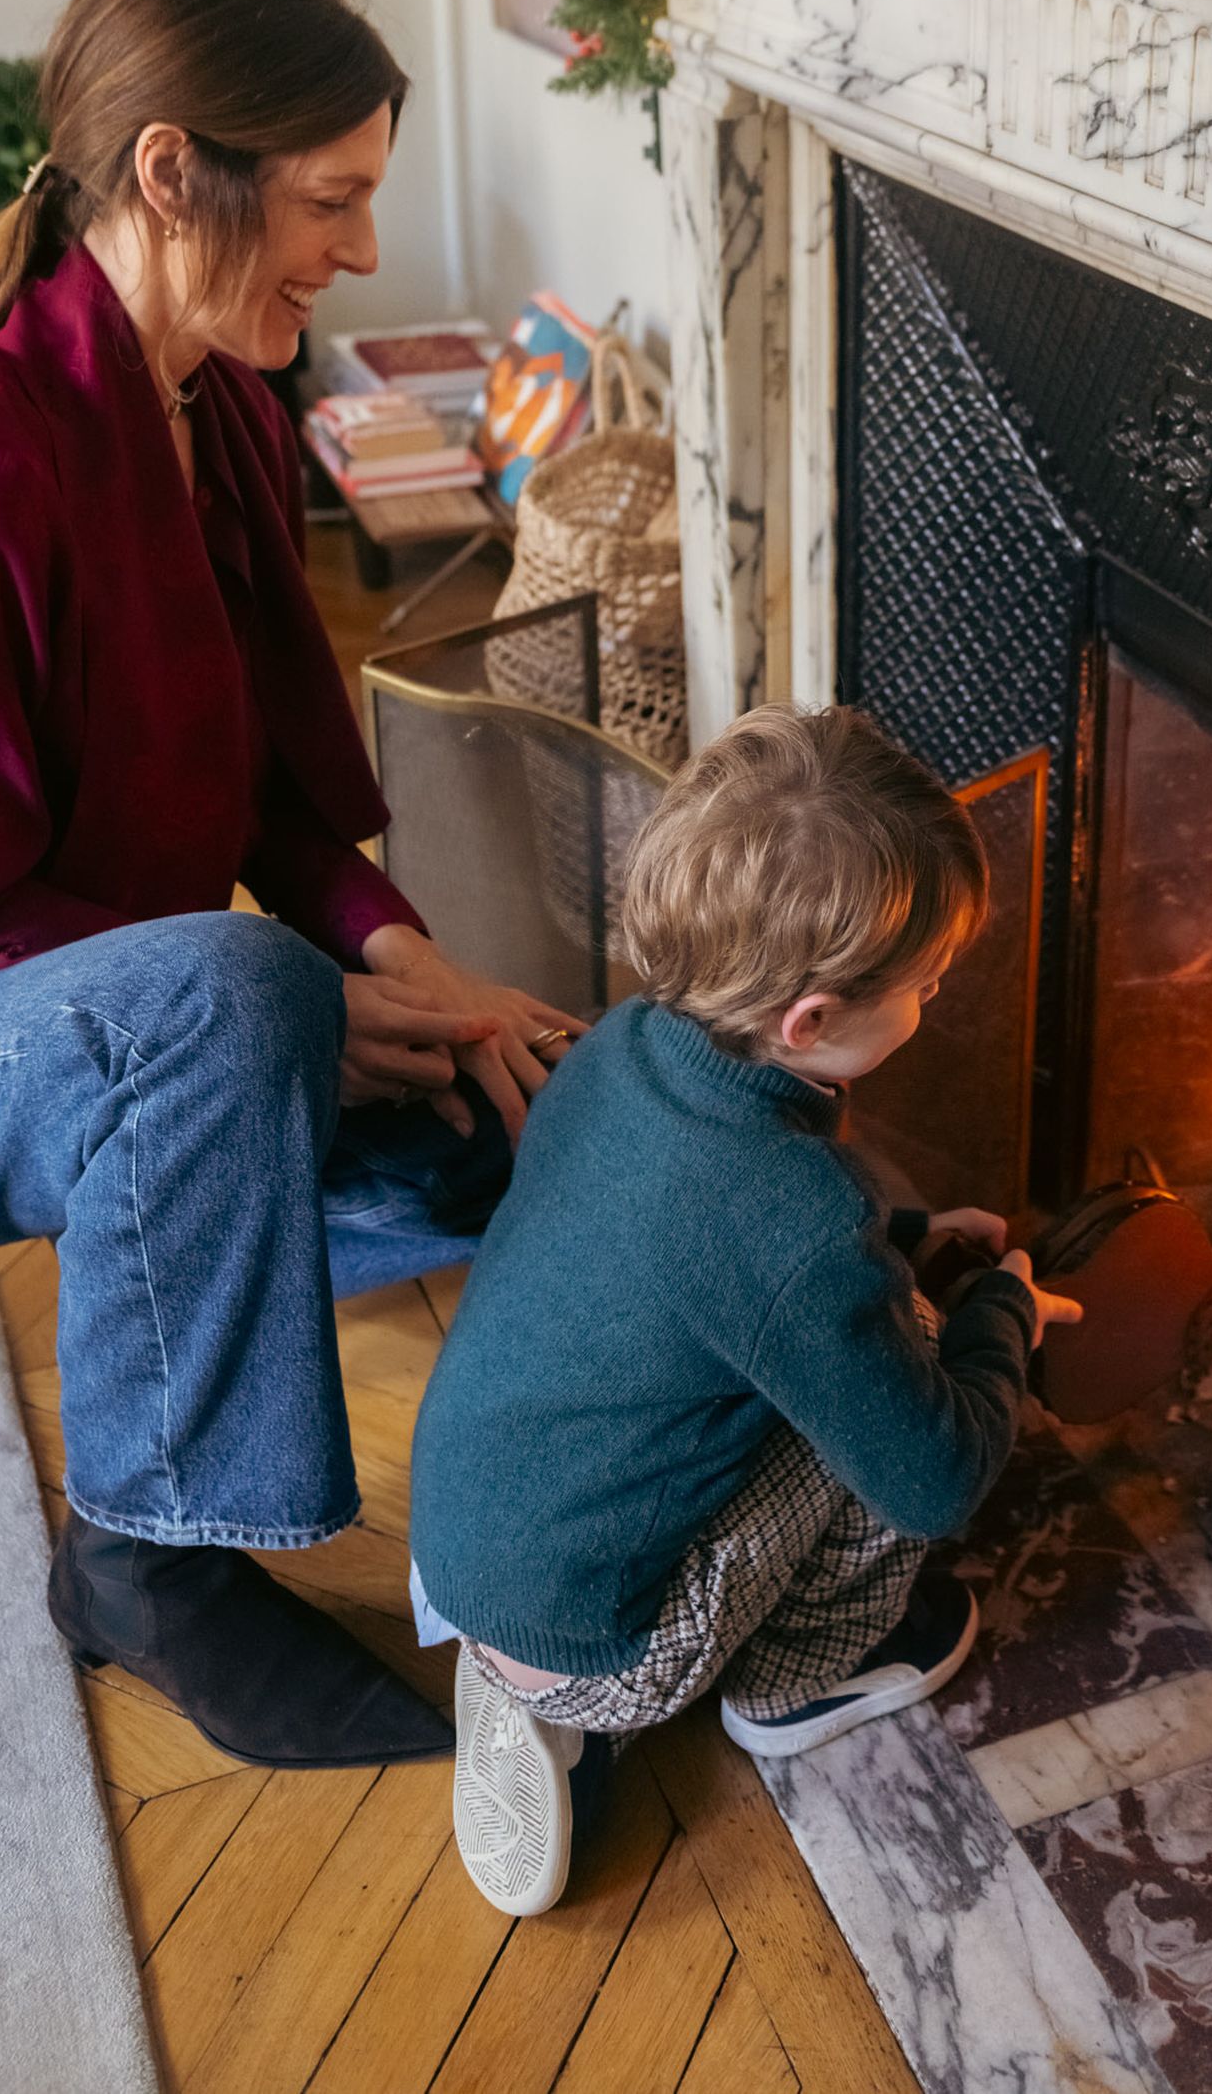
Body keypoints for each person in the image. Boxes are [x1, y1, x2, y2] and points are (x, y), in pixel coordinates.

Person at [0, 0, 583, 1771]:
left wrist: (414, 975)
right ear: (174, 168)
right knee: (240, 991)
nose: (364, 251)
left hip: (145, 1020)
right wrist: (302, 997)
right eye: (333, 198)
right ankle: (143, 1562)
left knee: (518, 1098)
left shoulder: (222, 407)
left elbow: (289, 804)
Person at [409, 703, 1080, 1918]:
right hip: (602, 1644)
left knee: (849, 1326)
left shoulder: (622, 1043)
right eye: (928, 981)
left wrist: (912, 1242)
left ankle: (512, 1665)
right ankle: (801, 1676)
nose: (933, 998)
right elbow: (929, 1479)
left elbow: (687, 1264)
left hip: (463, 1534)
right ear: (810, 1022)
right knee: (910, 1361)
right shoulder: (795, 1222)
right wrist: (997, 1316)